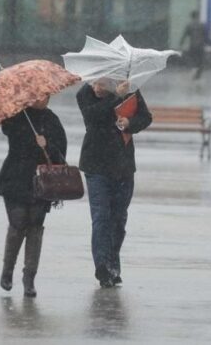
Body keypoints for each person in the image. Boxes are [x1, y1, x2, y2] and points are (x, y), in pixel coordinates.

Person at [76, 78, 152, 288]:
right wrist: (116, 97)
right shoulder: (84, 94)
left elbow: (145, 117)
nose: (97, 88)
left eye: (101, 84)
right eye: (94, 84)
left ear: (111, 81)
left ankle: (112, 264)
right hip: (96, 165)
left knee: (118, 219)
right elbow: (93, 116)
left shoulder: (130, 90)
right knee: (101, 216)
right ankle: (102, 266)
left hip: (123, 165)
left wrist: (130, 123)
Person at [0, 97, 67, 298]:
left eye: (47, 95)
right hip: (15, 177)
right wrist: (29, 137)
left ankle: (29, 278)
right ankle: (7, 271)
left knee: (35, 227)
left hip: (41, 181)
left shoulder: (51, 119)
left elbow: (61, 151)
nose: (44, 98)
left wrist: (47, 145)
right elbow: (8, 130)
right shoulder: (17, 116)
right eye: (40, 95)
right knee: (17, 223)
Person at [180, 10, 207, 80]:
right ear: (197, 16)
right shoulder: (202, 25)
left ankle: (194, 69)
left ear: (191, 17)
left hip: (193, 45)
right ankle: (198, 73)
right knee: (201, 60)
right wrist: (208, 43)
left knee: (193, 58)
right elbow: (205, 35)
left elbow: (185, 35)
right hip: (201, 46)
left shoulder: (189, 25)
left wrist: (181, 43)